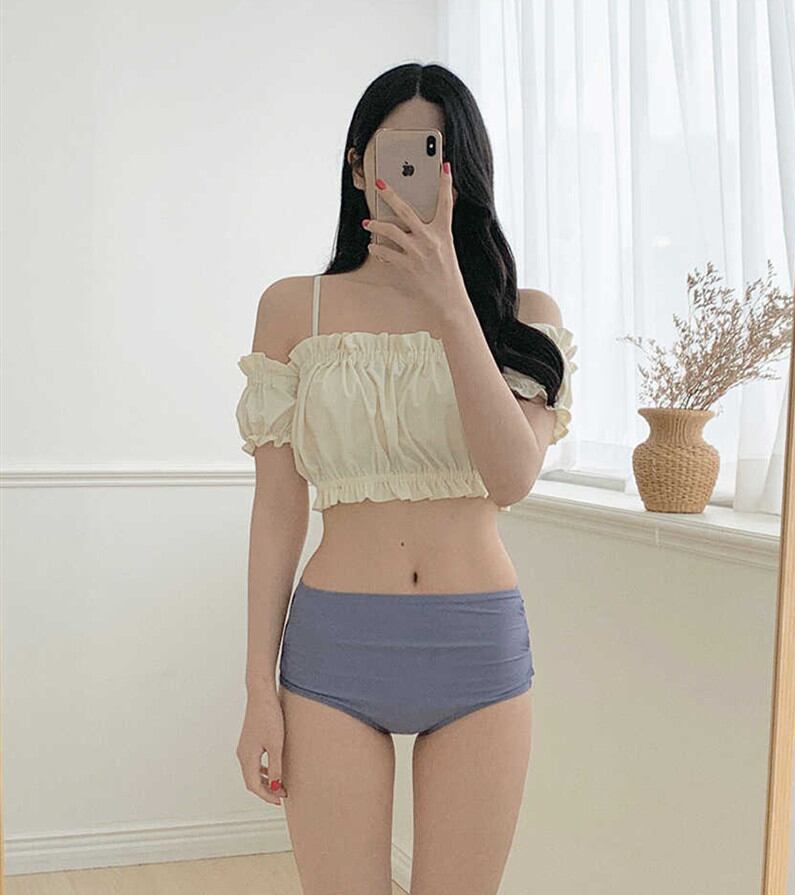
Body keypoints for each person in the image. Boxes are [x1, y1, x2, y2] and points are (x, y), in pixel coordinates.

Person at [234, 62, 577, 895]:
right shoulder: (294, 308)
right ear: (359, 168)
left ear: (464, 174)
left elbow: (510, 476)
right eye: (396, 153)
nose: (415, 174)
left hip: (476, 648)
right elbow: (277, 510)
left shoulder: (522, 317)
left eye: (437, 154)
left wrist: (452, 300)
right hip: (333, 648)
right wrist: (256, 691)